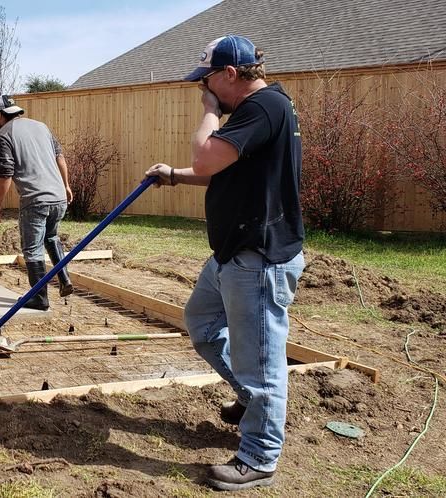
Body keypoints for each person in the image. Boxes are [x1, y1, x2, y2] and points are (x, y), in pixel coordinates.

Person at [145, 35, 305, 491]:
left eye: (209, 80)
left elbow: (205, 153)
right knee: (202, 324)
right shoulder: (263, 113)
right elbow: (218, 168)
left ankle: (259, 456)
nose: (204, 88)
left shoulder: (263, 108)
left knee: (261, 363)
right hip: (233, 255)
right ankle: (252, 401)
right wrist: (174, 177)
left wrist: (210, 109)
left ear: (230, 74)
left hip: (258, 260)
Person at [0, 95, 74, 310]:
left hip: (35, 200)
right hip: (58, 198)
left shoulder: (3, 135)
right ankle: (64, 279)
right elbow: (60, 157)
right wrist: (66, 185)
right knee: (52, 237)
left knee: (32, 248)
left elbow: (6, 173)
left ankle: (39, 299)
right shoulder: (41, 127)